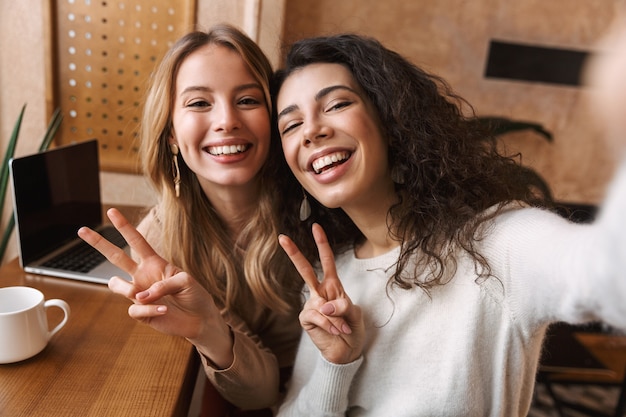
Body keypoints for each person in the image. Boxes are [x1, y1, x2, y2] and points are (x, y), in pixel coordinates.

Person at [271, 31, 626, 416]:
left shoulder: (499, 245)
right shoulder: (330, 280)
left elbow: (607, 275)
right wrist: (335, 365)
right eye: (291, 125)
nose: (311, 131)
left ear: (391, 120)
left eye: (337, 104)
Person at [78, 24, 304, 415]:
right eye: (200, 103)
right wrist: (208, 330)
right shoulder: (159, 243)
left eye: (248, 99)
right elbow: (261, 392)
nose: (227, 120)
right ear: (170, 133)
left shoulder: (315, 211)